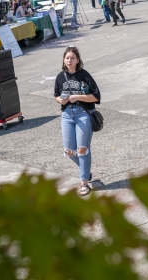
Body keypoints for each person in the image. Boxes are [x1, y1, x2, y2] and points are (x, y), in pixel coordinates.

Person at [54, 46, 101, 196]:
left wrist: (77, 97)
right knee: (69, 151)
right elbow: (55, 95)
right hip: (67, 114)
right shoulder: (60, 77)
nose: (69, 60)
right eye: (67, 58)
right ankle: (85, 171)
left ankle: (84, 183)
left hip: (83, 114)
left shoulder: (84, 75)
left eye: (72, 58)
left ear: (78, 60)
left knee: (82, 149)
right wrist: (60, 101)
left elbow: (96, 97)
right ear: (64, 60)